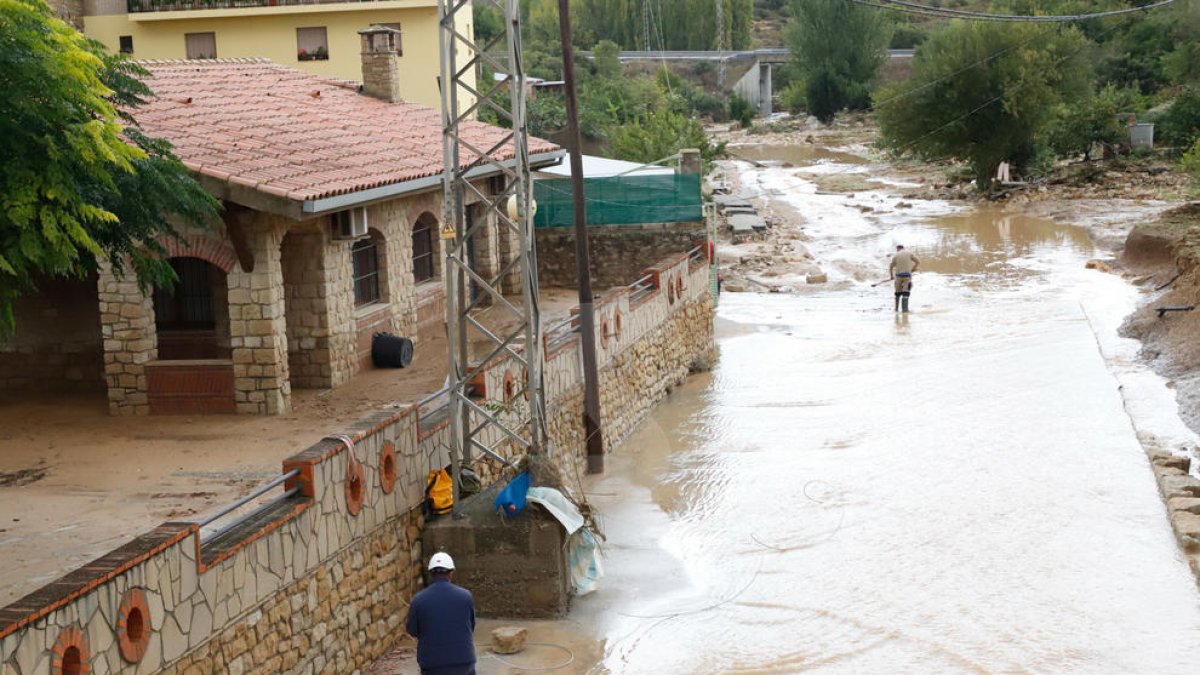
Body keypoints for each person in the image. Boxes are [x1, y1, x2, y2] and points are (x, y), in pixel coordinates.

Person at [406, 552, 477, 675]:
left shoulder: (418, 600)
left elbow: (412, 630)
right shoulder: (465, 596)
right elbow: (471, 626)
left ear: (431, 574)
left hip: (433, 665)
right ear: (451, 573)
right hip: (464, 663)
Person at [889, 245, 920, 313]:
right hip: (907, 276)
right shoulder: (909, 253)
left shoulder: (895, 255)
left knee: (897, 293)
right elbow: (918, 261)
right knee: (906, 293)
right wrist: (913, 269)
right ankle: (905, 310)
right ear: (903, 248)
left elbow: (891, 267)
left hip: (898, 276)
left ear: (897, 249)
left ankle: (896, 309)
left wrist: (891, 276)